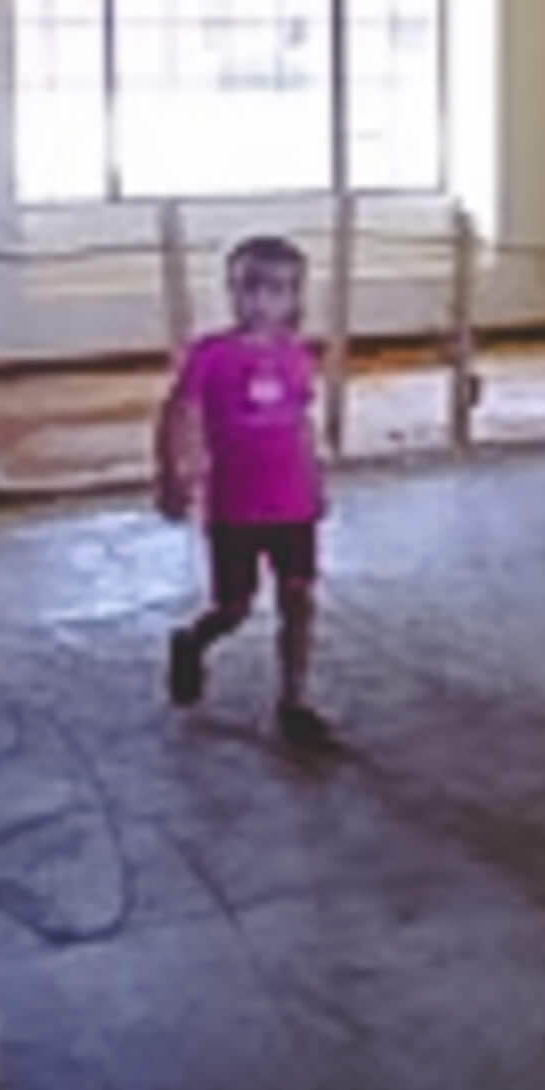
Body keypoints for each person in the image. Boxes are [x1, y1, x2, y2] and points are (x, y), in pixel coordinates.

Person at [155, 235, 334, 749]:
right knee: (235, 607)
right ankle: (192, 640)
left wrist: (315, 479)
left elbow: (301, 423)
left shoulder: (297, 355)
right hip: (236, 505)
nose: (262, 300)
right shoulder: (211, 355)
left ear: (295, 297)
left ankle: (293, 700)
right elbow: (177, 412)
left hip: (291, 503)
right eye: (250, 287)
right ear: (233, 291)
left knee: (298, 597)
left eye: (277, 289)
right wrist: (173, 474)